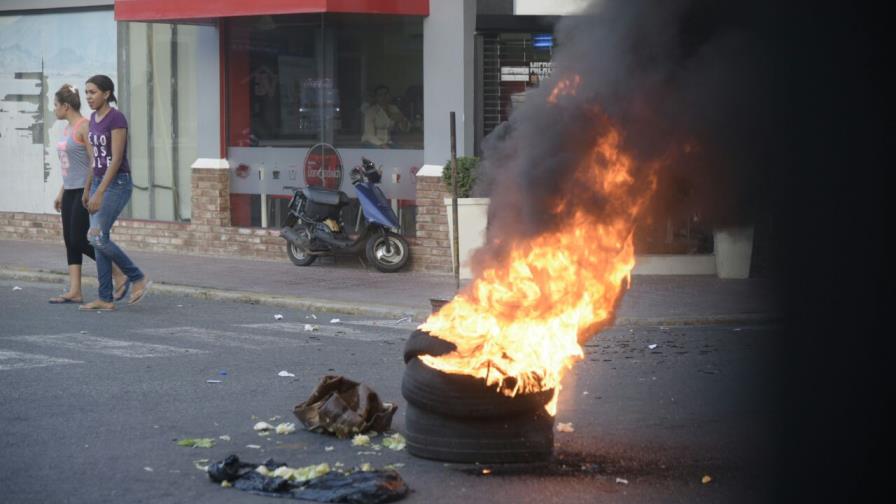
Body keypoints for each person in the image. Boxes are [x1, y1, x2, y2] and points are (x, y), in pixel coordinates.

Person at [48, 84, 127, 304]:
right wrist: (61, 192)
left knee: (80, 239)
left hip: (84, 191)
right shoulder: (67, 129)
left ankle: (119, 274)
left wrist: (90, 190)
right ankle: (75, 290)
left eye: (55, 105)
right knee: (70, 241)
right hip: (70, 190)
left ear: (65, 106)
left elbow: (94, 162)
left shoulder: (85, 126)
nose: (53, 109)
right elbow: (70, 165)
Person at [78, 75, 151, 311]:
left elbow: (117, 158)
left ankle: (137, 276)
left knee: (95, 237)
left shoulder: (116, 118)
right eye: (86, 92)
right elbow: (95, 158)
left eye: (93, 92)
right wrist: (88, 187)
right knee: (100, 240)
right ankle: (105, 298)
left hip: (117, 183)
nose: (88, 97)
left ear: (107, 93)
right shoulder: (92, 118)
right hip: (99, 182)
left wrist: (99, 192)